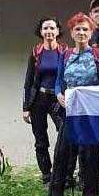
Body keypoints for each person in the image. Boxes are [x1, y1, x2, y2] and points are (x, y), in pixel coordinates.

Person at [42, 13, 99, 196]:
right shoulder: (65, 55)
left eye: (85, 29)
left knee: (89, 157)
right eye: (77, 29)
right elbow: (59, 82)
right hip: (69, 114)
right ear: (72, 33)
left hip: (91, 116)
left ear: (90, 33)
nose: (81, 32)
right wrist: (58, 95)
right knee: (61, 155)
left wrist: (90, 95)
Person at [22, 17, 66, 185]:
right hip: (38, 99)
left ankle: (63, 175)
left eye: (52, 28)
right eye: (45, 28)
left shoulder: (64, 51)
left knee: (65, 136)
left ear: (57, 31)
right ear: (40, 31)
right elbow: (28, 81)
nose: (49, 31)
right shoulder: (36, 52)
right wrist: (25, 107)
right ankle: (47, 176)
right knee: (40, 140)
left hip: (58, 99)